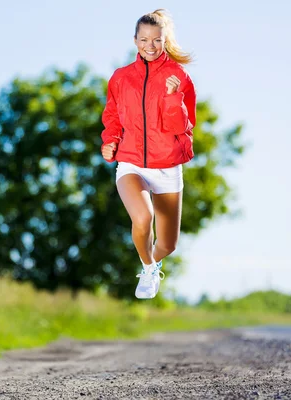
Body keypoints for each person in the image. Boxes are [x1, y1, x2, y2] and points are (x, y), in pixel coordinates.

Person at [100, 9, 196, 299]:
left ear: (164, 40)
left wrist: (171, 98)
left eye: (156, 40)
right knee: (143, 218)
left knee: (167, 244)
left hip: (166, 165)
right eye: (144, 39)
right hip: (131, 164)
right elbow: (113, 117)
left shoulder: (178, 76)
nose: (150, 46)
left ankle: (154, 258)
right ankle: (148, 267)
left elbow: (183, 126)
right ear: (135, 40)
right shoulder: (120, 78)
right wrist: (110, 141)